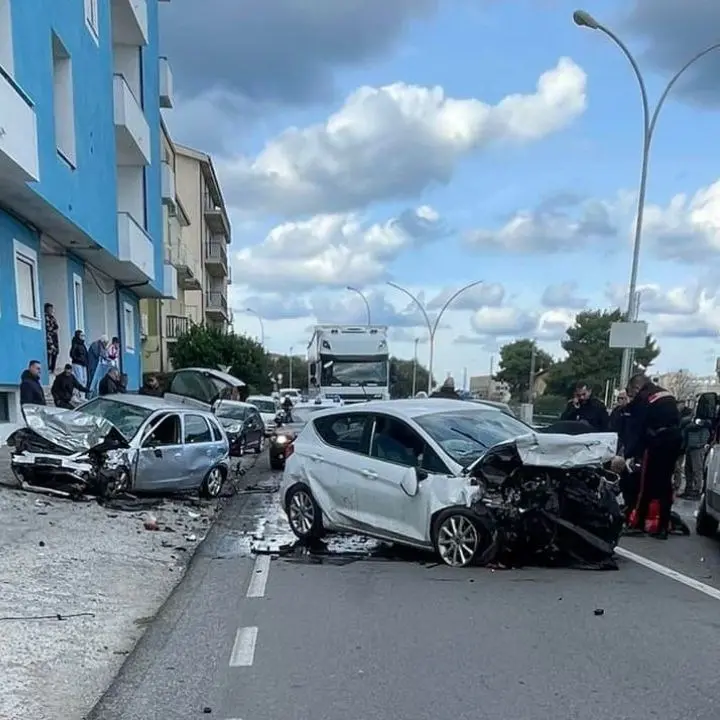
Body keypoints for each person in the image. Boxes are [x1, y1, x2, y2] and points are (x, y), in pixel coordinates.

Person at [617, 373, 682, 539]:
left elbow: (638, 429)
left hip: (656, 442)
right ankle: (662, 527)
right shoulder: (666, 394)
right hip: (674, 440)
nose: (631, 398)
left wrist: (628, 454)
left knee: (644, 484)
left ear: (637, 388)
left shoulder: (644, 398)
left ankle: (638, 524)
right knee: (665, 485)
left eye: (631, 394)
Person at [681, 404, 710, 499]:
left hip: (698, 447)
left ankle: (696, 490)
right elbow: (687, 425)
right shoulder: (692, 419)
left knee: (697, 469)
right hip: (690, 446)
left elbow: (699, 427)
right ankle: (688, 489)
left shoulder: (705, 420)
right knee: (688, 469)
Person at [44, 303, 59, 376]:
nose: (51, 310)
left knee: (55, 352)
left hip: (54, 338)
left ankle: (52, 369)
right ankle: (48, 369)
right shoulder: (46, 318)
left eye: (52, 309)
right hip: (49, 338)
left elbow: (56, 327)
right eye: (50, 309)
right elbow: (48, 330)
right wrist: (51, 343)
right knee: (50, 353)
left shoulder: (52, 318)